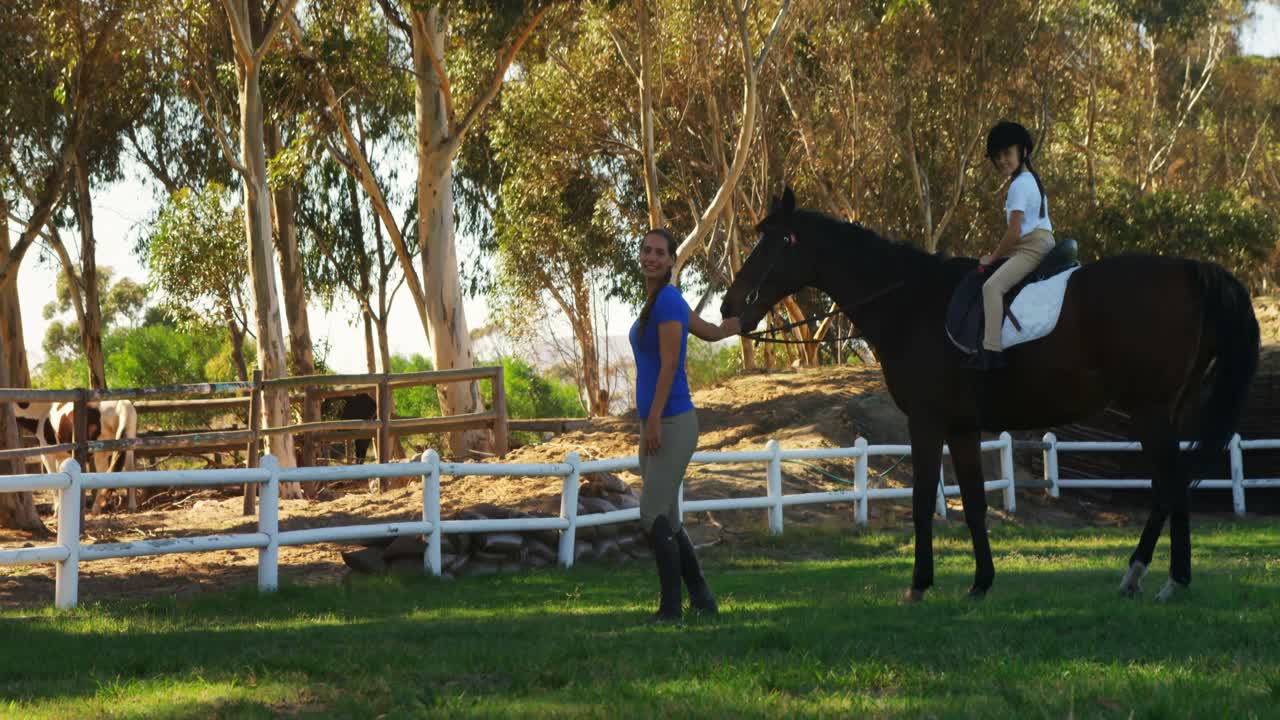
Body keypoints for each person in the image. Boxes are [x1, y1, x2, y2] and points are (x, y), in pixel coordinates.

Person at [630, 228, 741, 624]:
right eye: (646, 250)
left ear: (671, 261)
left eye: (659, 253)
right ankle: (703, 600)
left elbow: (670, 366)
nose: (651, 257)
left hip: (671, 421)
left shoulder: (668, 302)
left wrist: (655, 420)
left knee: (651, 515)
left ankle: (670, 609)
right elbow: (708, 331)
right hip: (657, 421)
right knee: (669, 519)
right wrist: (730, 327)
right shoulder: (661, 300)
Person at [977, 120, 1055, 371]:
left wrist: (992, 257)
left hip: (1032, 246)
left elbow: (1013, 233)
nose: (1002, 160)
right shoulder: (1030, 179)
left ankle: (991, 352)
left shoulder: (1019, 185)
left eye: (1007, 153)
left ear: (1023, 151)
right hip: (1039, 241)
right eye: (997, 156)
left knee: (991, 287)